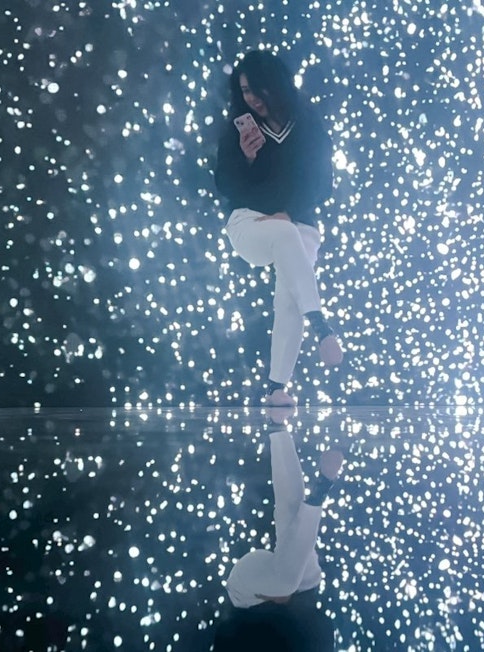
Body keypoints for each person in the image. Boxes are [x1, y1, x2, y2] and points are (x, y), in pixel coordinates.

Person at [214, 49, 343, 408]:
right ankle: (322, 327)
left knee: (289, 295)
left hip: (299, 222)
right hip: (249, 224)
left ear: (276, 86)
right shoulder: (237, 126)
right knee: (286, 238)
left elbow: (323, 183)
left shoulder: (308, 124)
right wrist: (248, 157)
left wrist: (288, 212)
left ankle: (275, 389)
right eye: (244, 91)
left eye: (257, 89)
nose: (251, 99)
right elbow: (224, 184)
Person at [213, 427, 344, 651]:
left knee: (287, 581)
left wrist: (275, 600)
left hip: (248, 594)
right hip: (296, 588)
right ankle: (278, 427)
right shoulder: (316, 639)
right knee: (293, 527)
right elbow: (320, 621)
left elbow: (228, 633)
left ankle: (321, 489)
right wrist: (288, 601)